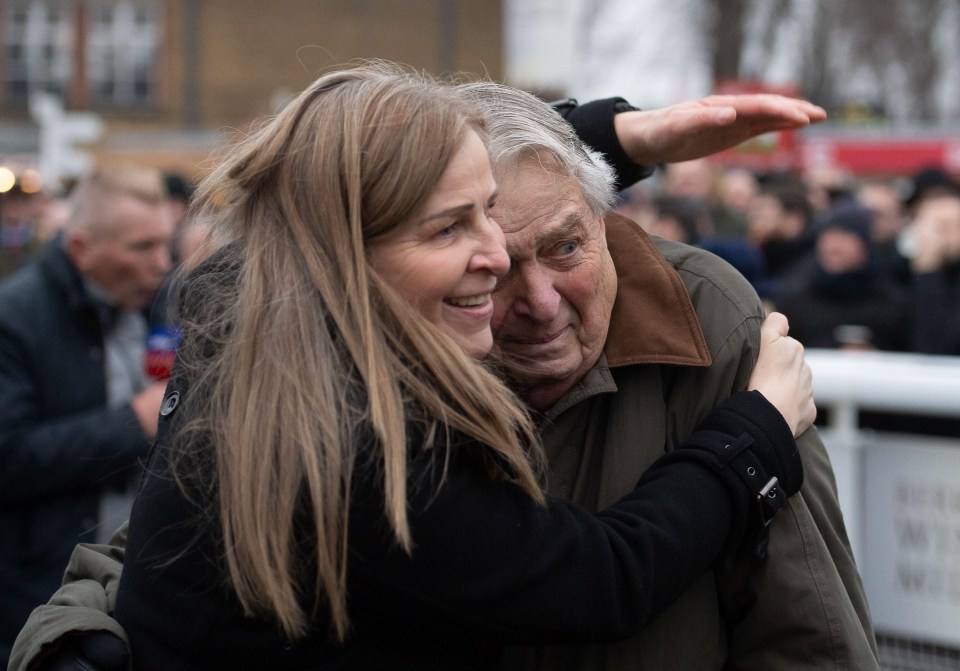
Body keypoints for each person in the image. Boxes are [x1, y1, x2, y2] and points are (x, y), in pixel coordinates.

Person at [7, 63, 813, 671]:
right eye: (452, 229)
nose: (497, 257)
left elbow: (351, 185)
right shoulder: (357, 451)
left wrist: (604, 138)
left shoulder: (242, 309)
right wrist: (754, 435)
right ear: (351, 253)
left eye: (494, 217)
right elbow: (605, 577)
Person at [453, 82, 879, 670]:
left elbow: (808, 636)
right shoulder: (381, 367)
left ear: (607, 219)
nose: (541, 302)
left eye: (565, 248)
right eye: (496, 271)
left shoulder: (709, 323)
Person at [0, 165, 174, 666]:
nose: (162, 263)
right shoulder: (16, 319)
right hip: (39, 596)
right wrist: (133, 424)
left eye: (166, 244)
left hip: (136, 586)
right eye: (142, 248)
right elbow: (8, 456)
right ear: (81, 248)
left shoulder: (158, 307)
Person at [774, 202, 909, 351]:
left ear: (865, 246)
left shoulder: (892, 302)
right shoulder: (796, 299)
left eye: (845, 236)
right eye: (829, 236)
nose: (834, 246)